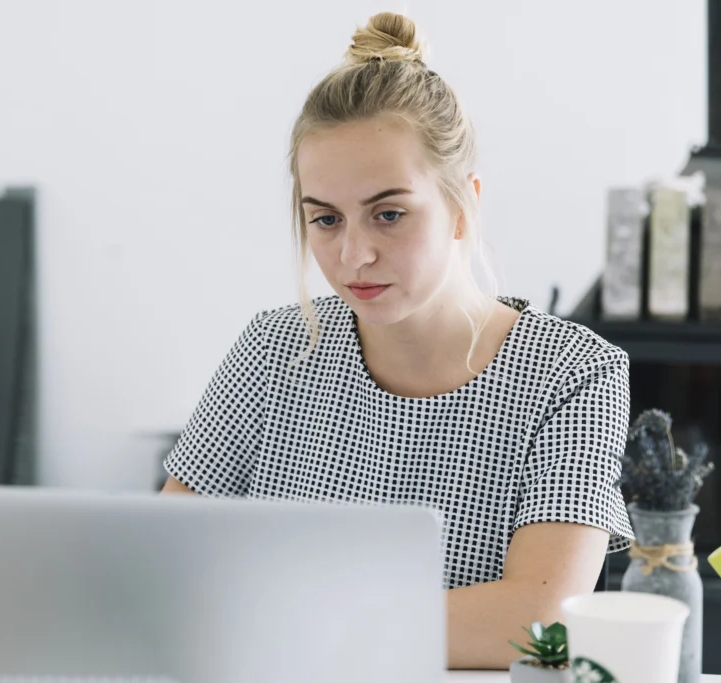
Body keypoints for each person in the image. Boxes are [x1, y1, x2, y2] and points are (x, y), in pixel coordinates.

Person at [160, 11, 634, 670]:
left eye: (389, 213)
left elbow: (538, 617)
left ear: (463, 203)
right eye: (324, 219)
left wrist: (287, 614)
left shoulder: (573, 373)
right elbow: (164, 565)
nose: (354, 254)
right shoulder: (273, 348)